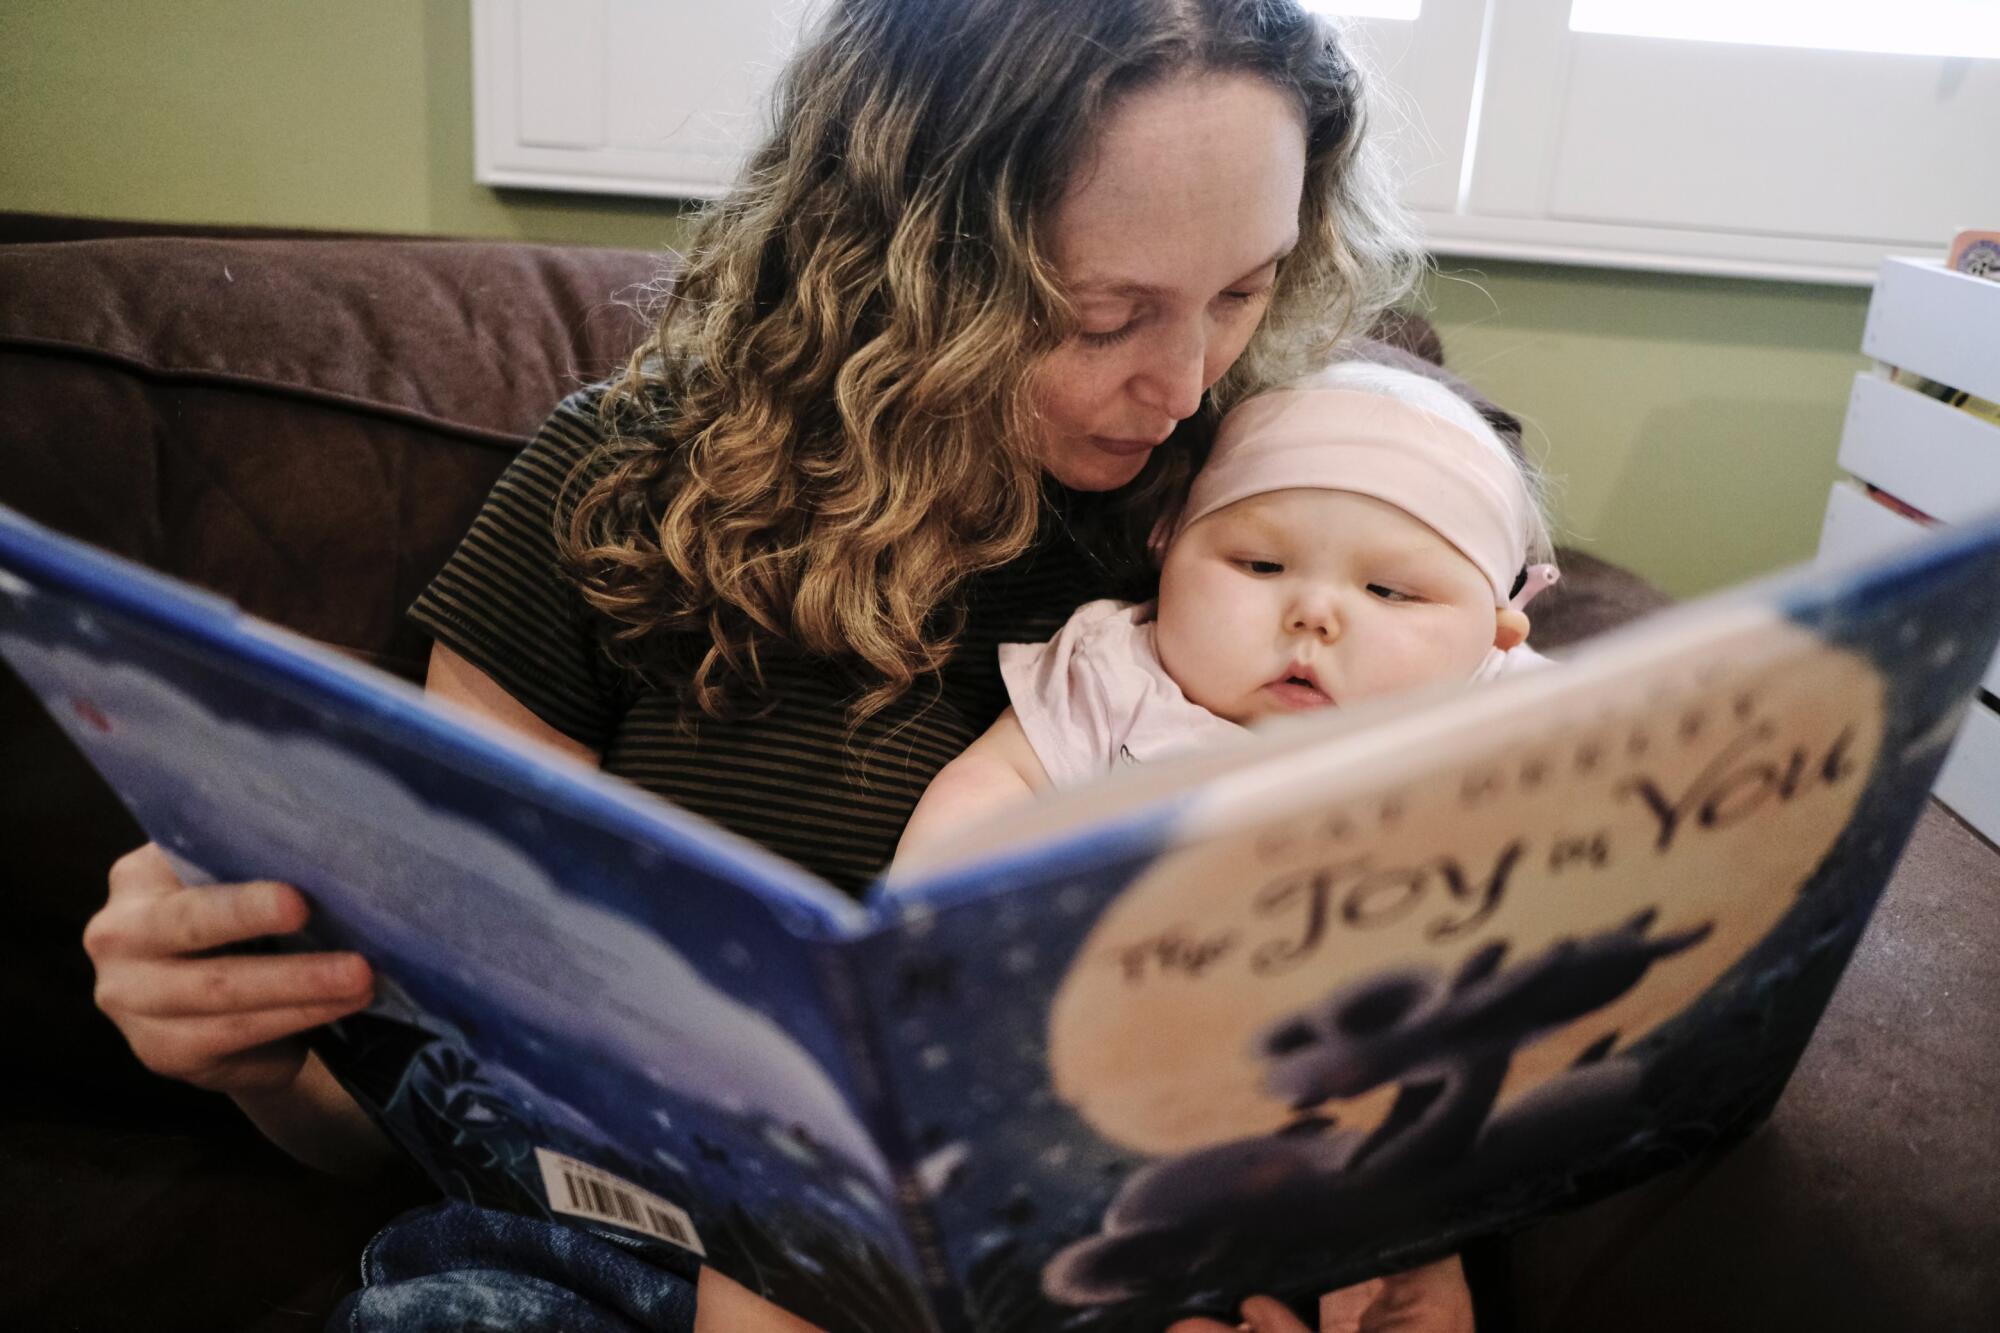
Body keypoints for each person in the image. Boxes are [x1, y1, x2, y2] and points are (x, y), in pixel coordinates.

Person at [80, 1, 1482, 1329]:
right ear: (906, 254)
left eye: (1242, 290)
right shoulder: (629, 486)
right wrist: (263, 1056)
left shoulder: (1274, 523)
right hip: (616, 1259)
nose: (1182, 385)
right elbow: (449, 1091)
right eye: (1099, 316)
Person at [894, 359, 1558, 867]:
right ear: (1168, 554)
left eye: (1388, 591)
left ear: (1494, 635)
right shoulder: (1117, 672)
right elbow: (999, 778)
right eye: (1261, 566)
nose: (1313, 614)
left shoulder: (1515, 707)